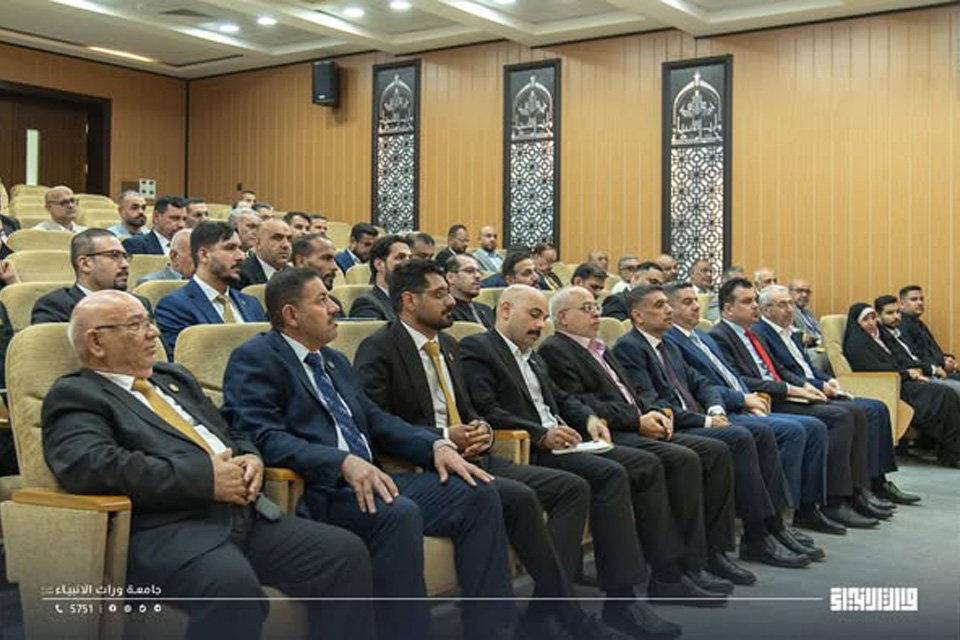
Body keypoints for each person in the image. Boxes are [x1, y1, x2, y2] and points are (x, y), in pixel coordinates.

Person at [44, 290, 374, 640]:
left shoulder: (173, 378)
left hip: (245, 516)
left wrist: (250, 456)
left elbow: (230, 429)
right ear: (96, 342)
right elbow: (93, 466)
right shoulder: (78, 395)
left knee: (345, 553)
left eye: (150, 322)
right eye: (137, 325)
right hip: (171, 530)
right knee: (232, 587)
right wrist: (205, 479)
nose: (154, 332)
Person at [221, 268, 516, 640]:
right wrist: (340, 462)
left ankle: (489, 628)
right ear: (291, 315)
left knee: (478, 493)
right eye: (322, 300)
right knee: (398, 514)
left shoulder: (333, 360)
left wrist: (434, 445)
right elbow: (262, 436)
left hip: (373, 479)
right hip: (321, 489)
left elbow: (375, 419)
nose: (335, 307)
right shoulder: (255, 357)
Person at [354, 261, 626, 640]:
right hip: (422, 465)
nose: (451, 301)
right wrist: (442, 436)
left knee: (569, 487)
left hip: (473, 457)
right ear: (409, 301)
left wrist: (480, 427)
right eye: (439, 294)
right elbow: (375, 422)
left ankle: (546, 612)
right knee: (518, 497)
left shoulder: (449, 346)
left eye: (448, 292)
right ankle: (557, 617)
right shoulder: (380, 347)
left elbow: (469, 409)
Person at [462, 285, 707, 636]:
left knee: (622, 470)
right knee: (609, 475)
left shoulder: (532, 356)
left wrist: (589, 418)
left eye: (543, 317)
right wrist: (540, 434)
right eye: (534, 315)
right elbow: (487, 410)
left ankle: (588, 604)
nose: (540, 325)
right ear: (504, 310)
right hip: (528, 449)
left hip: (562, 443)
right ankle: (618, 603)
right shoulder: (479, 348)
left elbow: (562, 399)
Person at [539, 287, 752, 588]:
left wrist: (655, 413)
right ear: (563, 317)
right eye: (587, 308)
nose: (596, 312)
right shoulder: (556, 349)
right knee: (682, 459)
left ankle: (706, 555)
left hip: (635, 424)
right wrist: (637, 420)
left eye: (596, 306)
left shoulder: (599, 347)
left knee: (714, 451)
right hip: (613, 431)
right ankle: (673, 570)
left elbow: (634, 393)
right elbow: (582, 403)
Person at [614, 285, 816, 567]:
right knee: (740, 437)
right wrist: (707, 420)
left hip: (696, 417)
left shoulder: (665, 344)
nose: (668, 310)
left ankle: (773, 526)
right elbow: (653, 404)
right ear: (637, 316)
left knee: (759, 433)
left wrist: (715, 409)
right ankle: (754, 537)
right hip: (674, 425)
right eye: (660, 306)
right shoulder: (630, 347)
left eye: (667, 304)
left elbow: (703, 384)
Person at [663, 282, 833, 546]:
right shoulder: (673, 340)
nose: (696, 306)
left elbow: (728, 378)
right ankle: (769, 525)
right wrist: (743, 399)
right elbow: (701, 388)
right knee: (788, 431)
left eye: (696, 300)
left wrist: (749, 398)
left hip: (743, 402)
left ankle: (782, 521)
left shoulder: (702, 337)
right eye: (687, 302)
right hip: (718, 411)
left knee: (809, 426)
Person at [708, 278, 876, 531]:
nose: (755, 306)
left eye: (755, 300)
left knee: (853, 411)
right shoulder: (720, 336)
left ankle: (847, 494)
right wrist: (791, 390)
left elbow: (779, 369)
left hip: (777, 394)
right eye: (747, 301)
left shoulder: (750, 334)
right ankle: (808, 506)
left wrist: (808, 386)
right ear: (728, 309)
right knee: (832, 418)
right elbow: (742, 380)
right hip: (765, 400)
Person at [753, 285, 899, 519]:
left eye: (790, 304)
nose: (789, 309)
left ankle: (867, 485)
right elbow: (780, 372)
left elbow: (807, 368)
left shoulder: (791, 333)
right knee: (847, 414)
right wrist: (818, 386)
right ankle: (836, 498)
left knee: (875, 407)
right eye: (782, 305)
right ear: (765, 310)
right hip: (789, 396)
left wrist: (827, 380)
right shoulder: (761, 333)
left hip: (809, 387)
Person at [868, 297, 960, 472]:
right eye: (890, 313)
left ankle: (949, 449)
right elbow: (895, 363)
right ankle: (952, 452)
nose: (896, 316)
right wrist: (922, 371)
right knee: (947, 394)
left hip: (913, 376)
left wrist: (940, 362)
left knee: (946, 392)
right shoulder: (880, 336)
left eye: (897, 312)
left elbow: (913, 356)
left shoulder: (894, 333)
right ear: (878, 316)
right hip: (896, 384)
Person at [155, 222, 266, 354]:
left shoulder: (251, 303)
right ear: (204, 255)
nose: (240, 256)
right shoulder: (174, 306)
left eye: (239, 248)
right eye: (230, 248)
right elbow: (186, 360)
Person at [32, 229, 152, 324]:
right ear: (85, 264)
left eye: (125, 257)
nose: (125, 264)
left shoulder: (139, 303)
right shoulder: (55, 307)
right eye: (114, 255)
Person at [898, 285, 960, 397]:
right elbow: (914, 356)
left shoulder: (919, 323)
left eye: (921, 299)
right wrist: (941, 364)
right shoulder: (902, 326)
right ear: (902, 304)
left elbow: (933, 349)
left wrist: (946, 358)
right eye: (914, 299)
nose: (920, 303)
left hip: (939, 369)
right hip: (928, 374)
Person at [349, 234, 411, 321]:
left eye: (410, 258)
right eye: (400, 257)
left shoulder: (412, 301)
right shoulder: (367, 303)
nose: (408, 264)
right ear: (379, 264)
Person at [292, 233, 344, 318]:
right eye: (326, 258)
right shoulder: (280, 303)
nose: (335, 267)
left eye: (334, 260)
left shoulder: (334, 304)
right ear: (301, 261)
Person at [787, 278, 829, 372]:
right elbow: (796, 336)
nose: (804, 295)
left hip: (819, 346)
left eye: (807, 292)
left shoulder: (809, 314)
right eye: (799, 291)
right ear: (789, 293)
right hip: (804, 349)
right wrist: (817, 341)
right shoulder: (789, 312)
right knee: (821, 356)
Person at [238, 219, 293, 288]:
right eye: (277, 238)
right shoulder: (241, 273)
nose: (286, 245)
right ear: (258, 244)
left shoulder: (294, 275)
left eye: (289, 239)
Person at [445, 254, 494, 328]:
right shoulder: (445, 312)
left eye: (479, 271)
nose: (478, 276)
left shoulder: (486, 309)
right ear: (450, 277)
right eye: (469, 271)